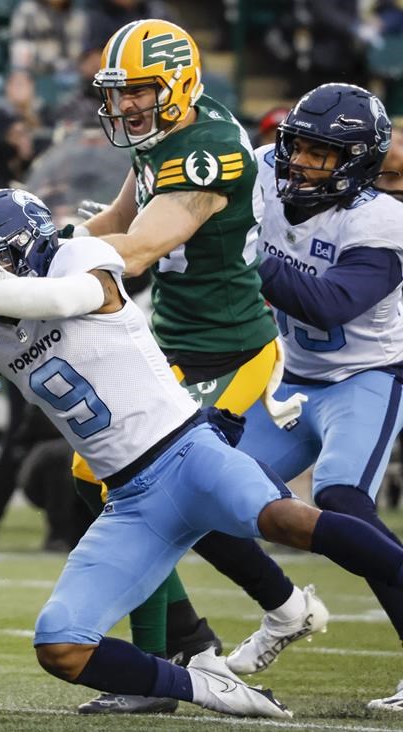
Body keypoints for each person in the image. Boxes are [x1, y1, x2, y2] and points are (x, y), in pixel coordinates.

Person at [0, 186, 403, 719]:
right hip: (130, 502)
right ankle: (205, 686)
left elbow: (64, 300)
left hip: (190, 455)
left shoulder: (77, 256)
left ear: (29, 247)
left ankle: (307, 601)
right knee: (61, 646)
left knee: (289, 520)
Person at [65, 19, 324, 714]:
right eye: (119, 92)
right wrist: (52, 239)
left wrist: (41, 273)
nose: (125, 105)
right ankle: (209, 634)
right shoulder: (164, 136)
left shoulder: (205, 149)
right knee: (97, 475)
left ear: (178, 85)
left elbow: (139, 249)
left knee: (150, 485)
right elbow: (118, 219)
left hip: (229, 349)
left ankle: (182, 650)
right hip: (175, 344)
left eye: (140, 91)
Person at [231, 83, 403, 712]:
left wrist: (245, 252)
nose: (299, 161)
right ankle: (282, 610)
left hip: (366, 375)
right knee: (198, 486)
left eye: (320, 153)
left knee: (342, 499)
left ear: (357, 162)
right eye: (296, 145)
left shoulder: (381, 219)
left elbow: (330, 303)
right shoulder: (262, 172)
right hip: (289, 378)